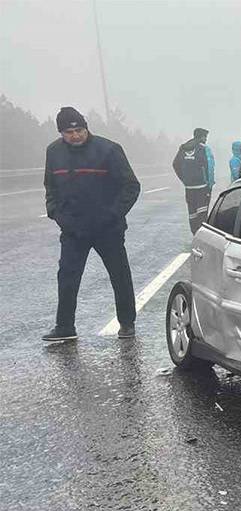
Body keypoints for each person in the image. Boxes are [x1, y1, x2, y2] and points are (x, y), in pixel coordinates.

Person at [42, 107, 141, 342]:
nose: (75, 135)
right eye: (69, 132)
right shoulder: (53, 152)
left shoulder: (109, 150)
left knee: (119, 275)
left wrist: (112, 214)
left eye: (79, 130)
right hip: (73, 229)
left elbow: (131, 186)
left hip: (107, 229)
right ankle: (65, 327)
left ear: (86, 128)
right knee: (67, 277)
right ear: (61, 133)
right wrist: (56, 213)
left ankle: (127, 323)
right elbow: (50, 187)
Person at [172, 127, 215, 233]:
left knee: (192, 214)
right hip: (202, 187)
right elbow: (210, 167)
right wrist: (209, 185)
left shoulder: (183, 148)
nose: (206, 139)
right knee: (202, 213)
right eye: (205, 137)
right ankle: (202, 236)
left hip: (189, 187)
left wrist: (184, 179)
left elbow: (175, 164)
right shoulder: (204, 148)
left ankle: (194, 233)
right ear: (202, 137)